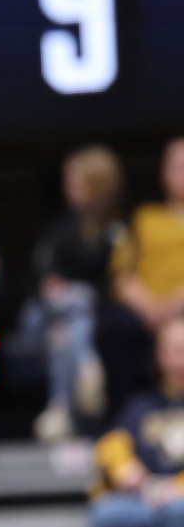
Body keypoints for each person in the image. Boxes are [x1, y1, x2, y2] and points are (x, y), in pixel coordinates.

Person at [86, 314, 184, 527]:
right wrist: (124, 465)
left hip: (177, 501)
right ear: (160, 356)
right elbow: (111, 443)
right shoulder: (142, 404)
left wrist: (177, 488)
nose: (180, 357)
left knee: (178, 511)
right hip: (144, 497)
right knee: (106, 515)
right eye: (174, 349)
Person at [23, 144, 126, 441]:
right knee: (76, 304)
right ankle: (88, 366)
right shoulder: (60, 228)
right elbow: (38, 273)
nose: (68, 189)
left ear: (99, 186)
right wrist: (50, 286)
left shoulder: (117, 231)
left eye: (76, 183)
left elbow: (113, 282)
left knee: (68, 330)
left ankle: (60, 408)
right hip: (42, 313)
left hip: (73, 320)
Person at [102, 137, 184, 416]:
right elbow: (121, 273)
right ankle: (122, 421)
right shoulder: (143, 218)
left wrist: (177, 302)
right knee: (116, 326)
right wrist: (151, 308)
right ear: (163, 173)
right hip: (148, 313)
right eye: (177, 167)